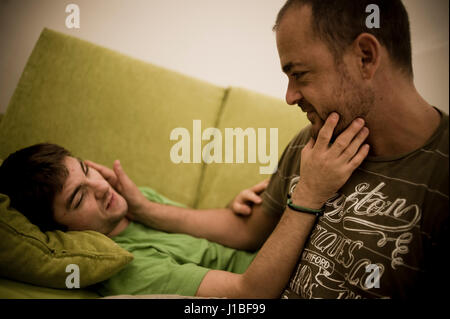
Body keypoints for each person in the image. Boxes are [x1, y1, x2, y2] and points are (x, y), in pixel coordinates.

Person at [0, 114, 369, 298]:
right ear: (60, 230)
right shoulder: (125, 268)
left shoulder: (131, 201)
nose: (98, 186)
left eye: (86, 170)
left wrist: (229, 208)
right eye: (78, 198)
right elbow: (250, 293)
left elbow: (206, 239)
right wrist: (306, 198)